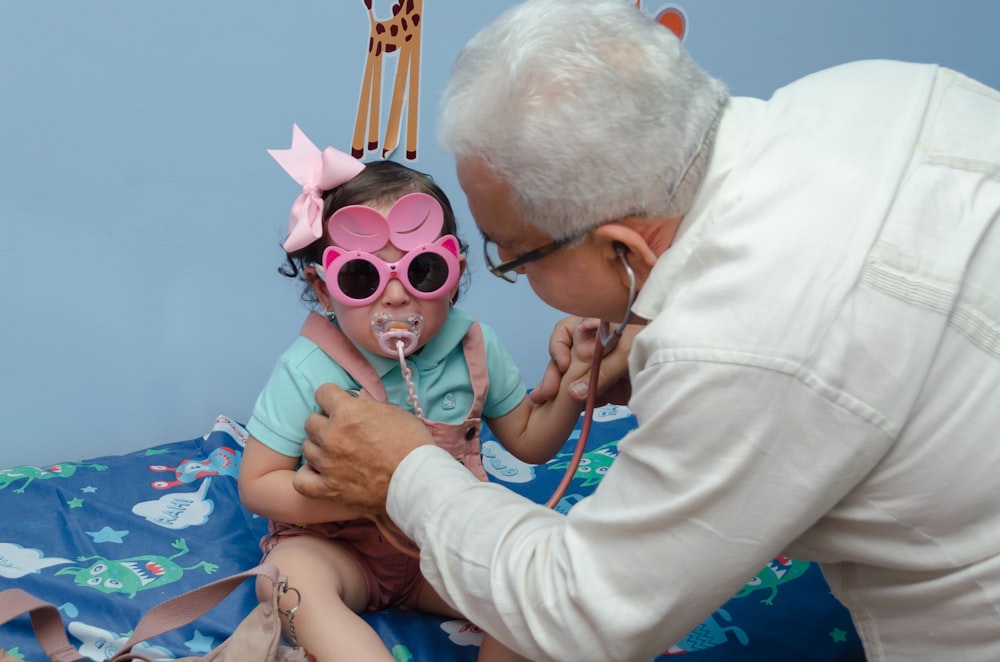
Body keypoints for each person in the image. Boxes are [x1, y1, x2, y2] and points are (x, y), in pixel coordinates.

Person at [291, 0, 1000, 660]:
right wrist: (661, 332)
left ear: (625, 251)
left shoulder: (739, 347)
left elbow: (581, 613)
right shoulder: (877, 90)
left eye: (511, 256)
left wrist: (405, 471)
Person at [237, 124, 588, 662]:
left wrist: (574, 384)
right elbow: (258, 486)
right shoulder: (309, 367)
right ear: (323, 289)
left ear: (455, 273)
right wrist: (359, 492)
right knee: (288, 580)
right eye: (363, 278)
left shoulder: (474, 346)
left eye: (422, 270)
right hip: (338, 549)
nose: (398, 295)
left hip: (439, 549)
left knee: (535, 579)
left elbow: (531, 442)